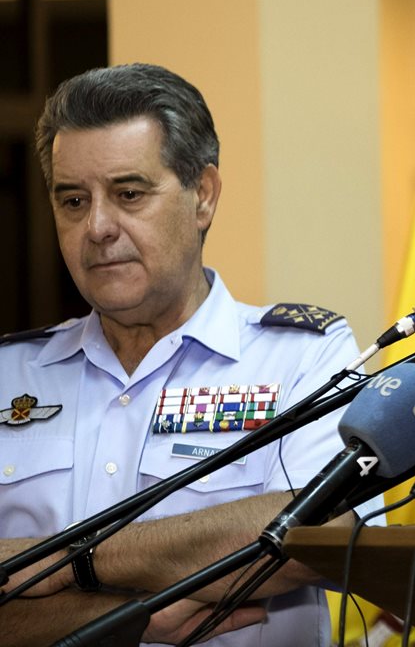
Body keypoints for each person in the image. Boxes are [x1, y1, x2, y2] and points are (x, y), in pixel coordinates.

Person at [0, 63, 362, 645]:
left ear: (204, 197)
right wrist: (123, 614)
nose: (97, 226)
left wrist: (64, 560)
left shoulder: (301, 361)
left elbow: (317, 536)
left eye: (129, 194)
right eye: (73, 200)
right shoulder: (10, 375)